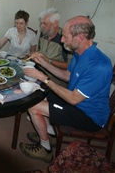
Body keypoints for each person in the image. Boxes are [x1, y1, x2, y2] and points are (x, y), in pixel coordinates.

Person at [19, 16, 113, 162]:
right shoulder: (80, 53)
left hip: (89, 116)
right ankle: (49, 134)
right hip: (76, 103)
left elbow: (73, 99)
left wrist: (44, 77)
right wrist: (43, 63)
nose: (62, 40)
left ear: (80, 37)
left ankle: (45, 149)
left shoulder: (99, 65)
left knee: (33, 106)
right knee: (39, 93)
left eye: (65, 36)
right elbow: (67, 76)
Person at [30, 7, 73, 87]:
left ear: (55, 23)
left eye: (45, 23)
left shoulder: (65, 39)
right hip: (41, 72)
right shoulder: (44, 34)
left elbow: (69, 66)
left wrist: (48, 60)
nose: (42, 26)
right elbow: (40, 52)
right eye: (41, 23)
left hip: (56, 79)